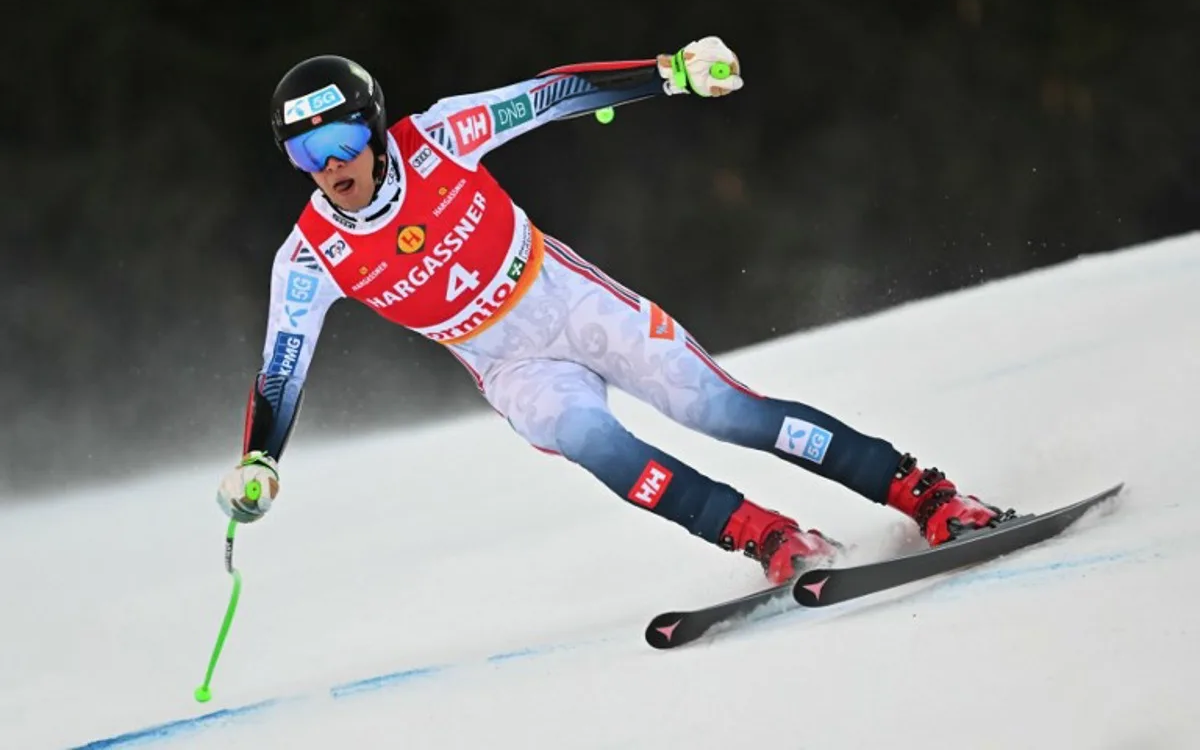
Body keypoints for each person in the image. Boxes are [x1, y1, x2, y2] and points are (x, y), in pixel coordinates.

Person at [217, 37, 1012, 585]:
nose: (331, 168)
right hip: (508, 364)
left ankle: (923, 494)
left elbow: (556, 94)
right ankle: (767, 535)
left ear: (376, 126)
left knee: (724, 411)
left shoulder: (440, 137)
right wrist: (261, 460)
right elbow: (281, 372)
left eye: (343, 140)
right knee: (594, 444)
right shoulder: (309, 255)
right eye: (305, 156)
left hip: (563, 299)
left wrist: (670, 72)